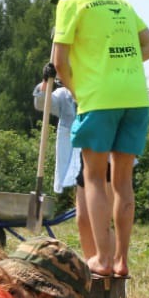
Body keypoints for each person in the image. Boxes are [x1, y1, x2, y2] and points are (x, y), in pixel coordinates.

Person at [50, 0, 149, 279]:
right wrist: (114, 63)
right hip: (136, 98)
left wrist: (78, 91)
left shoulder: (71, 2)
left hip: (98, 98)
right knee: (122, 181)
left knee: (95, 177)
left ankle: (102, 259)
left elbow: (59, 63)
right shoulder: (121, 1)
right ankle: (123, 261)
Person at [34, 75, 97, 260]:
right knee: (83, 209)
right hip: (73, 153)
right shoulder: (63, 95)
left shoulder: (93, 88)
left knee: (94, 205)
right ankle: (91, 255)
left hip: (95, 149)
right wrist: (46, 82)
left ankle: (101, 254)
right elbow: (42, 104)